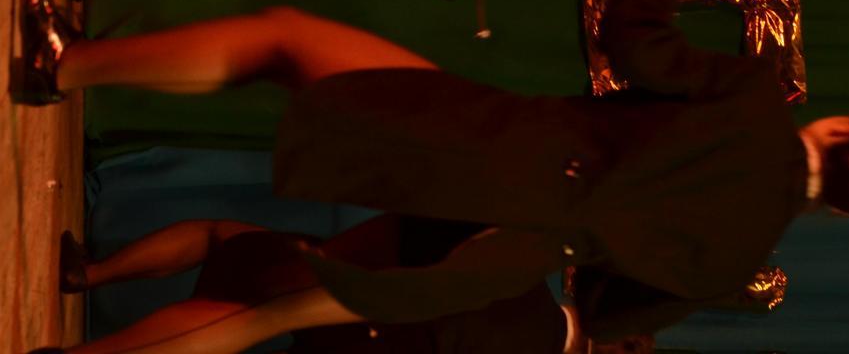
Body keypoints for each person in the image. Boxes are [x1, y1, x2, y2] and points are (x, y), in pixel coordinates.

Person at [13, 0, 849, 340]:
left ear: (848, 130)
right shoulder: (740, 255)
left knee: (283, 41)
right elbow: (609, 315)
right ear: (847, 206)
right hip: (495, 256)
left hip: (486, 149)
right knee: (255, 315)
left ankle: (63, 63)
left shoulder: (754, 102)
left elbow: (631, 40)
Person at [32, 215, 648, 354]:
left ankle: (89, 276)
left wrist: (322, 258)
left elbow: (400, 234)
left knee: (228, 249)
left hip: (347, 298)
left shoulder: (517, 273)